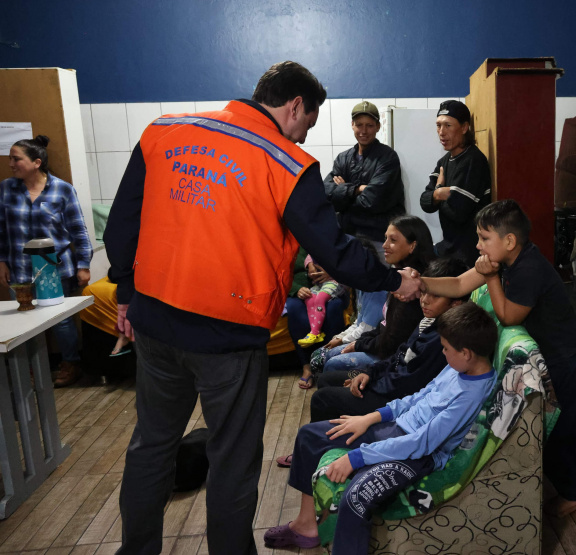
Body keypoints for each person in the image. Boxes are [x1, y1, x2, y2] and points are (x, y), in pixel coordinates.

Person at [103, 61, 422, 555]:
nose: (302, 136)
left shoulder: (163, 131)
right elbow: (335, 251)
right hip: (227, 338)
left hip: (155, 322)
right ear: (295, 105)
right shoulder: (286, 163)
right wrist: (393, 279)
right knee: (231, 459)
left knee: (151, 447)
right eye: (308, 124)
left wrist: (125, 292)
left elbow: (122, 223)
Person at [263, 302, 498, 552]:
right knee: (309, 435)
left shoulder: (471, 393)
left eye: (446, 349)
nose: (442, 353)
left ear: (466, 353)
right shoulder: (458, 368)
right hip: (397, 429)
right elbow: (418, 397)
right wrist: (370, 418)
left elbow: (422, 443)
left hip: (417, 455)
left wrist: (356, 458)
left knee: (357, 496)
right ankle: (306, 526)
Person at [419, 199, 576, 518]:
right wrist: (419, 283)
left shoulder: (529, 267)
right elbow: (459, 283)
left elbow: (510, 316)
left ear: (509, 241)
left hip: (567, 356)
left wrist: (489, 277)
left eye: (484, 238)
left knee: (565, 426)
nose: (478, 245)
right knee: (564, 425)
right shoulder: (500, 259)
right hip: (557, 354)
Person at [275, 257, 469, 468]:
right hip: (387, 379)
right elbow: (399, 354)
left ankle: (312, 455)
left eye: (435, 295)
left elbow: (409, 382)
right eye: (424, 292)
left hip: (394, 396)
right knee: (328, 379)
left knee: (323, 398)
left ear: (455, 302)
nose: (424, 300)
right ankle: (328, 447)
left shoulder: (441, 338)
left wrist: (372, 382)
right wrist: (369, 372)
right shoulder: (429, 320)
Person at [1, 135, 92, 387]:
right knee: (22, 322)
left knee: (61, 321)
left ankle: (71, 363)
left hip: (54, 268)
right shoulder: (6, 188)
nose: (11, 163)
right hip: (18, 269)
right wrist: (2, 261)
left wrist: (84, 265)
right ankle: (28, 370)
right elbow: (0, 229)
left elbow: (78, 230)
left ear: (36, 162)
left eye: (16, 158)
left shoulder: (62, 189)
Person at [311, 215, 434, 381]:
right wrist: (357, 341)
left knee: (332, 364)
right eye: (385, 239)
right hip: (380, 343)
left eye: (393, 240)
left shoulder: (411, 285)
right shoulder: (396, 277)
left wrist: (358, 343)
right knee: (324, 356)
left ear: (412, 246)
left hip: (393, 357)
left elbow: (394, 340)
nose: (384, 246)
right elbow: (382, 325)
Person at [324, 101, 404, 254]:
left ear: (378, 127)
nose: (364, 130)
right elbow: (326, 192)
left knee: (376, 277)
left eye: (369, 125)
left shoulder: (387, 158)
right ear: (352, 125)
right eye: (359, 125)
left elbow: (372, 201)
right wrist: (357, 189)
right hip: (347, 236)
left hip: (379, 239)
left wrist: (342, 192)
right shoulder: (343, 158)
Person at [420, 100, 491, 266]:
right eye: (438, 125)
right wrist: (439, 193)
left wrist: (436, 194)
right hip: (449, 249)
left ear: (464, 128)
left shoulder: (474, 160)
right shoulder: (444, 161)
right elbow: (425, 202)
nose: (441, 132)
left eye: (448, 125)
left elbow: (458, 212)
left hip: (470, 254)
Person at [285, 249, 349, 389]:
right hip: (300, 289)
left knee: (333, 308)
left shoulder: (325, 235)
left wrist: (331, 272)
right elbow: (279, 272)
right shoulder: (287, 242)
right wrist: (296, 289)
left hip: (331, 284)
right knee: (295, 310)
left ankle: (328, 364)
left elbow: (346, 259)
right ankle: (307, 367)